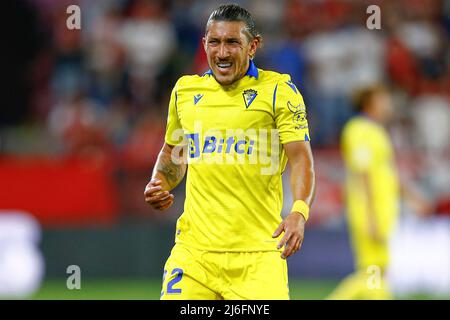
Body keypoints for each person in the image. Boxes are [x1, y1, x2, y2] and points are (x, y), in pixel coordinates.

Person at [144, 4, 315, 300]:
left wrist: (299, 212)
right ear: (204, 44)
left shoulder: (279, 91)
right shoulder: (185, 92)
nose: (222, 53)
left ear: (253, 46)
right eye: (215, 42)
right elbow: (174, 153)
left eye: (232, 42)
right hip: (194, 254)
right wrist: (160, 182)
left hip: (258, 256)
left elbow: (301, 158)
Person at [329, 85, 399, 300]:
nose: (388, 104)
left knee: (377, 270)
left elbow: (385, 172)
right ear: (371, 102)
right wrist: (371, 216)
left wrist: (413, 198)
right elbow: (363, 172)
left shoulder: (376, 130)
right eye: (383, 99)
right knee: (372, 269)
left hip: (382, 209)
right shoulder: (358, 129)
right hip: (369, 209)